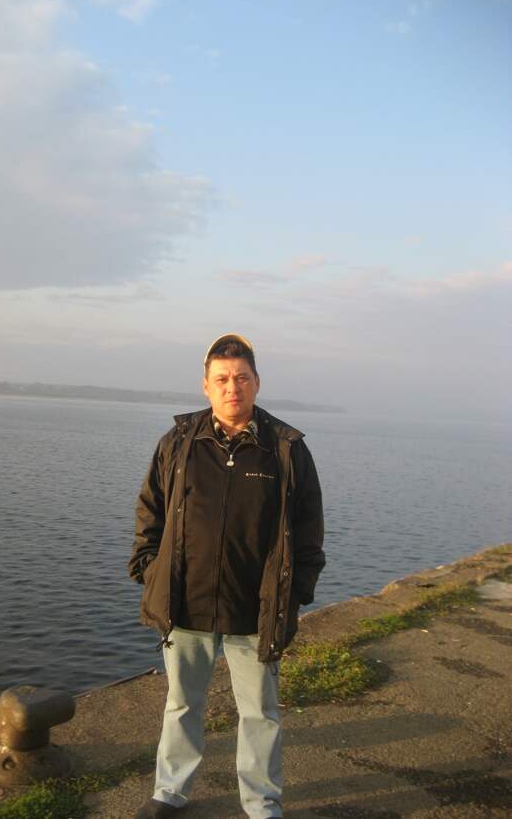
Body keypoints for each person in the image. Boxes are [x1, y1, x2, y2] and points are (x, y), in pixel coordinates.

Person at [128, 334, 325, 819]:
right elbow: (151, 508)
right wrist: (150, 569)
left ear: (257, 382)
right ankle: (170, 791)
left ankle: (262, 803)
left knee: (259, 710)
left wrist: (296, 592)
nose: (231, 387)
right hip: (185, 601)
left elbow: (308, 527)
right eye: (221, 379)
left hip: (254, 607)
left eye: (241, 378)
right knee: (181, 703)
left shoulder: (285, 448)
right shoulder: (179, 442)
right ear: (206, 386)